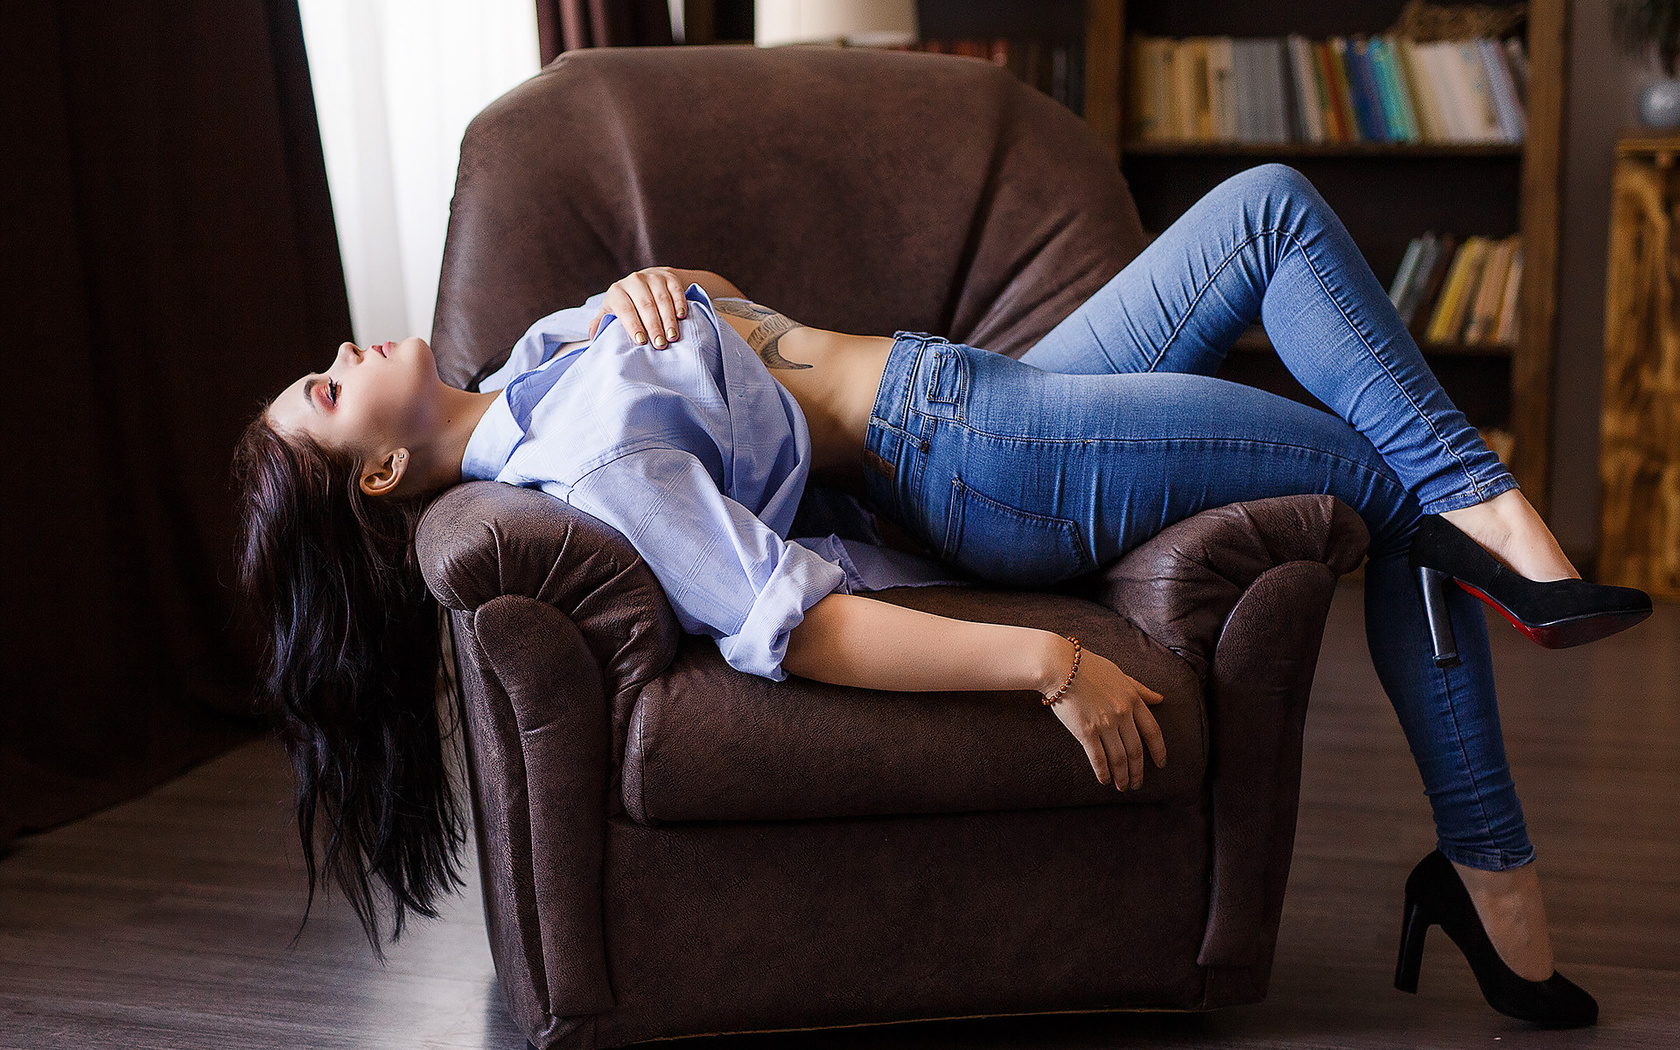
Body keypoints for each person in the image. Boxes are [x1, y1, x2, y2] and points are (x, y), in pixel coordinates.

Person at [232, 163, 1649, 1027]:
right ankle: (1500, 778)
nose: (346, 350)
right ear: (371, 479)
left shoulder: (548, 347)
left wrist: (661, 281)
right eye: (326, 388)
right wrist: (1046, 663)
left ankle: (1486, 861)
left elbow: (748, 327)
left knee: (1270, 214)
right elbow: (789, 622)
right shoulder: (584, 457)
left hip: (966, 379)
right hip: (979, 454)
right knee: (1386, 471)